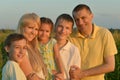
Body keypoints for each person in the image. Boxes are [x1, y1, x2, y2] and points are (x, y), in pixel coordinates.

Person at [69, 4, 118, 80]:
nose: (80, 22)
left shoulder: (104, 34)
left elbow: (110, 66)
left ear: (91, 16)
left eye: (83, 18)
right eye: (77, 20)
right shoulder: (70, 36)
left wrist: (82, 74)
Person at [16, 13, 48, 80]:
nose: (33, 32)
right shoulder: (20, 50)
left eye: (36, 29)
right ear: (21, 27)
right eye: (30, 28)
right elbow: (31, 78)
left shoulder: (33, 47)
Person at [55, 13, 81, 80]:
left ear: (70, 31)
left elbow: (75, 77)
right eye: (60, 26)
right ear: (55, 26)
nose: (63, 31)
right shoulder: (46, 45)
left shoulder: (74, 50)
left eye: (67, 28)